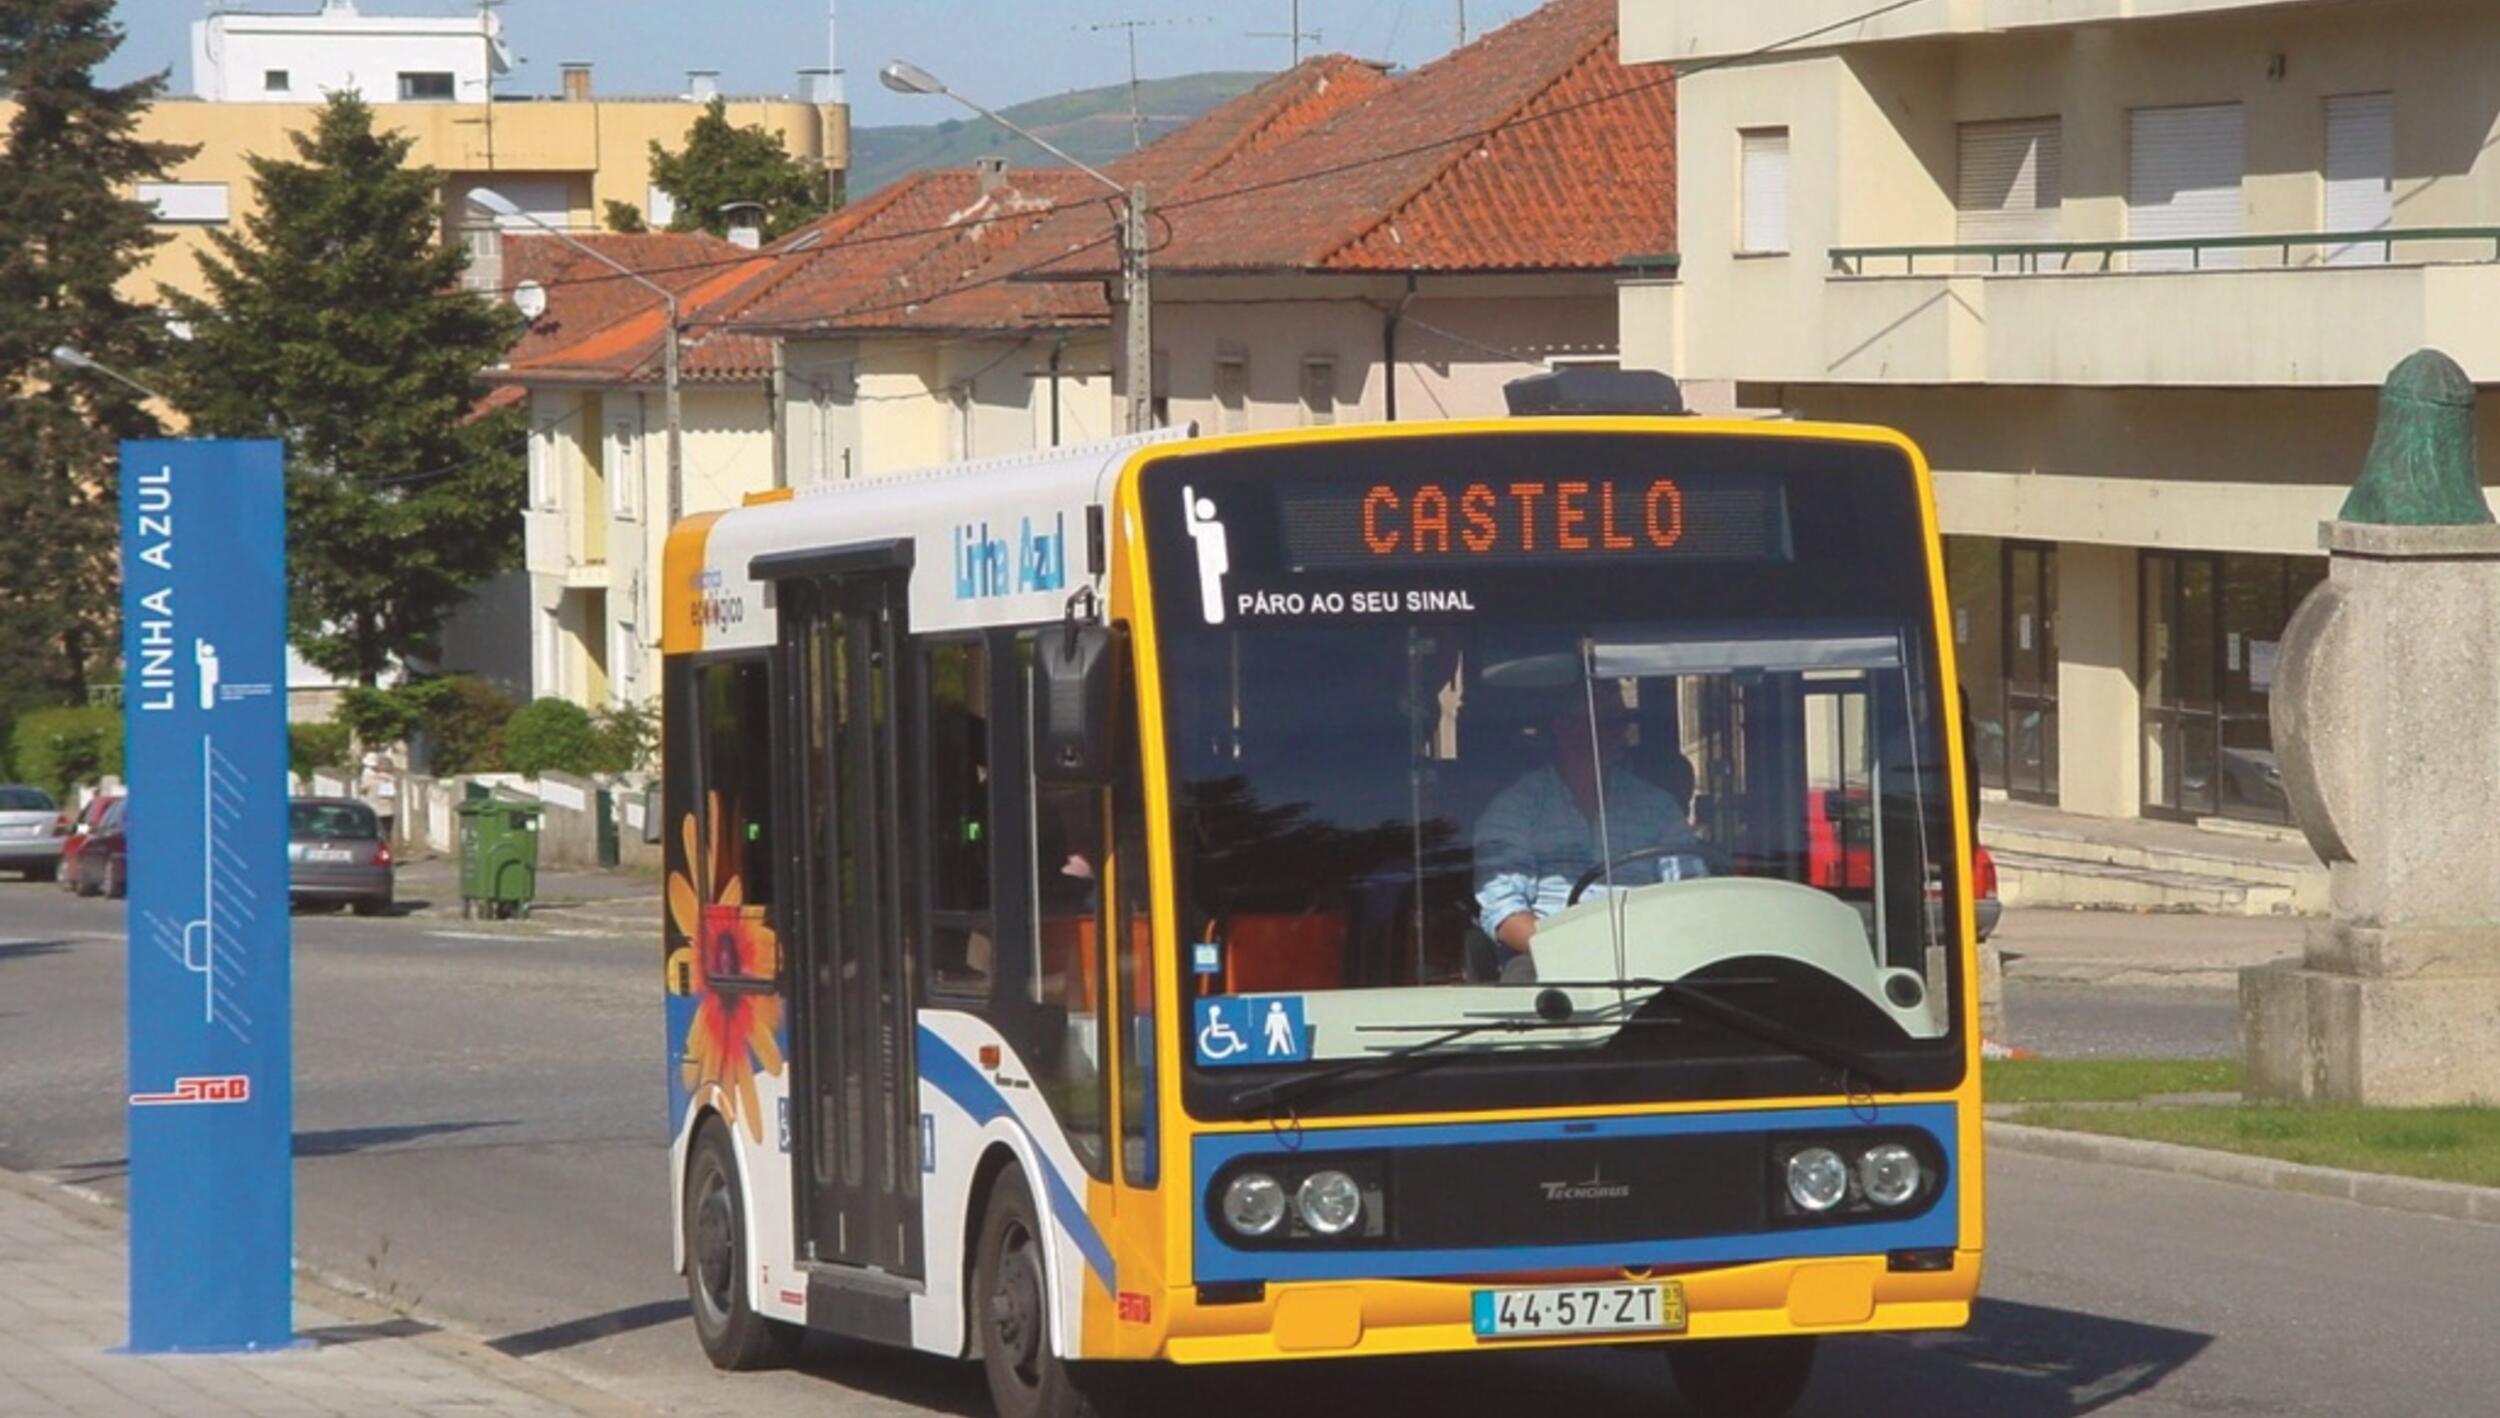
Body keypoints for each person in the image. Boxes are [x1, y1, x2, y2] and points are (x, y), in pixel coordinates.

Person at [1473, 693, 1707, 983]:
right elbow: (1505, 914)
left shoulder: (1658, 807)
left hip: (1652, 961)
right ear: (1563, 726)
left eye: (1620, 723)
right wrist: (1573, 953)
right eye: (1606, 723)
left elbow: (1690, 895)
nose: (1619, 733)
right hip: (1549, 962)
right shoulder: (1516, 807)